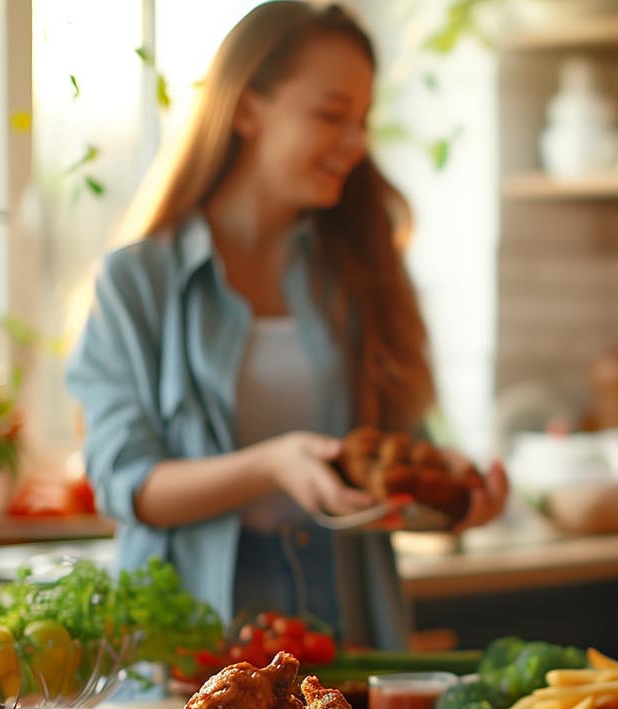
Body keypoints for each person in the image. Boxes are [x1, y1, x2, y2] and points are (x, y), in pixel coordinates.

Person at [66, 1, 506, 650]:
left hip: (344, 625)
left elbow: (393, 464)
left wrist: (453, 505)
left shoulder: (361, 269)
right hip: (190, 636)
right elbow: (127, 485)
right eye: (330, 115)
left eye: (361, 120)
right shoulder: (137, 280)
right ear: (245, 108)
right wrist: (272, 465)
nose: (354, 144)